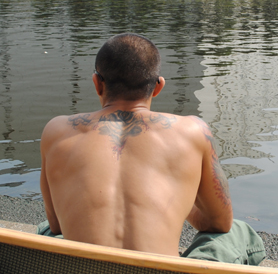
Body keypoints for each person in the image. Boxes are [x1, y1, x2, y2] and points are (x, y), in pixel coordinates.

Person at [39, 33, 265, 265]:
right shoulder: (194, 131)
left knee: (45, 229)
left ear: (97, 83)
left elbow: (57, 225)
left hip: (81, 269)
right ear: (158, 87)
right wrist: (177, 199)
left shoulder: (56, 131)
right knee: (238, 231)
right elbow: (220, 223)